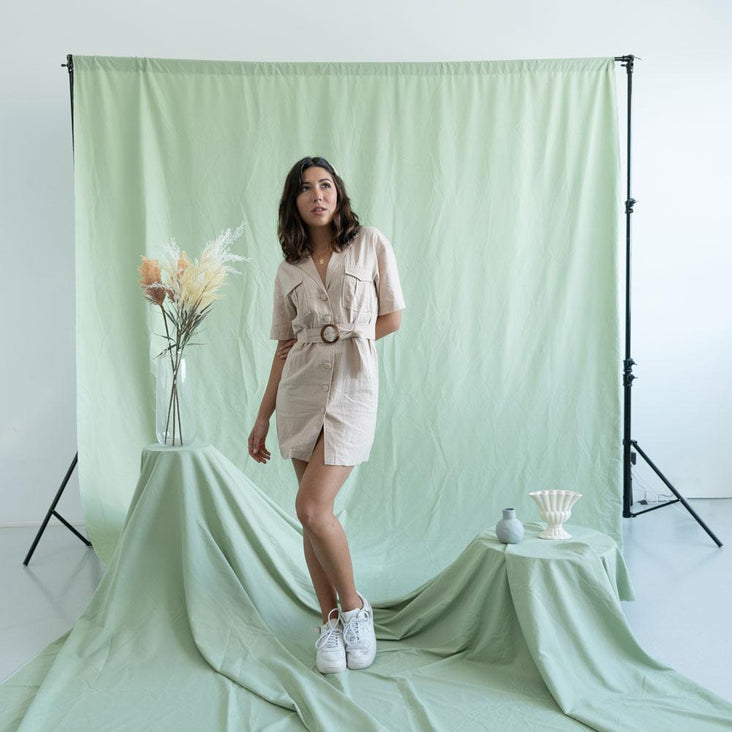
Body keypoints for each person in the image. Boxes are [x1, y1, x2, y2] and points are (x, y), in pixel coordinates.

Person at [247, 156, 405, 674]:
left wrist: (347, 341)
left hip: (353, 388)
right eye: (306, 188)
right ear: (293, 202)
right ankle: (330, 623)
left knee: (313, 508)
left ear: (338, 194)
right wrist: (262, 417)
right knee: (309, 516)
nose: (317, 195)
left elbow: (392, 316)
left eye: (326, 185)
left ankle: (355, 609)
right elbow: (283, 348)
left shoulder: (370, 243)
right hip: (299, 391)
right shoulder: (287, 269)